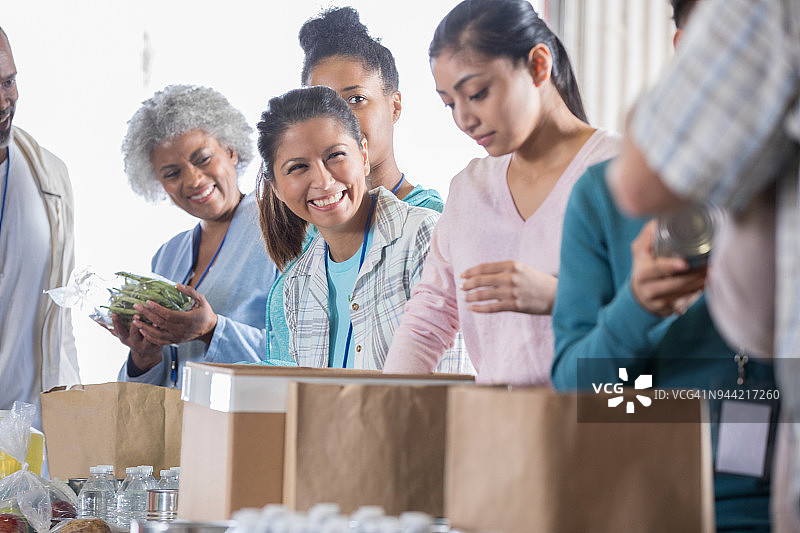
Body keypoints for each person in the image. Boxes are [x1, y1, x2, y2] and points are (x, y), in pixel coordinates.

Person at [606, 0, 798, 529]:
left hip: (757, 480)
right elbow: (587, 391)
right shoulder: (598, 195)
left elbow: (760, 332)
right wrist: (636, 310)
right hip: (668, 490)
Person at [382, 0, 619, 384]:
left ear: (539, 66)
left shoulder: (620, 172)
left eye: (476, 94)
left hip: (605, 422)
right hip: (501, 428)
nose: (464, 119)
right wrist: (385, 406)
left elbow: (665, 308)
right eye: (449, 104)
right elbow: (430, 316)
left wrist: (559, 297)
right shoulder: (469, 189)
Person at [264, 6, 452, 366]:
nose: (337, 120)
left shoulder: (430, 228)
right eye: (324, 104)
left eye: (355, 100)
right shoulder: (310, 249)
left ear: (395, 105)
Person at [112, 84, 278, 387]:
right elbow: (164, 379)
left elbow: (306, 356)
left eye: (202, 159)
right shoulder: (167, 256)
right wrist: (144, 356)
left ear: (230, 150)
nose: (193, 179)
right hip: (180, 429)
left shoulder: (281, 228)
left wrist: (212, 331)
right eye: (172, 174)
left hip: (252, 423)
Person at [0, 27, 80, 415]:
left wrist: (75, 428)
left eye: (9, 82)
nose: (4, 101)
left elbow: (58, 322)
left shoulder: (49, 175)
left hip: (33, 436)